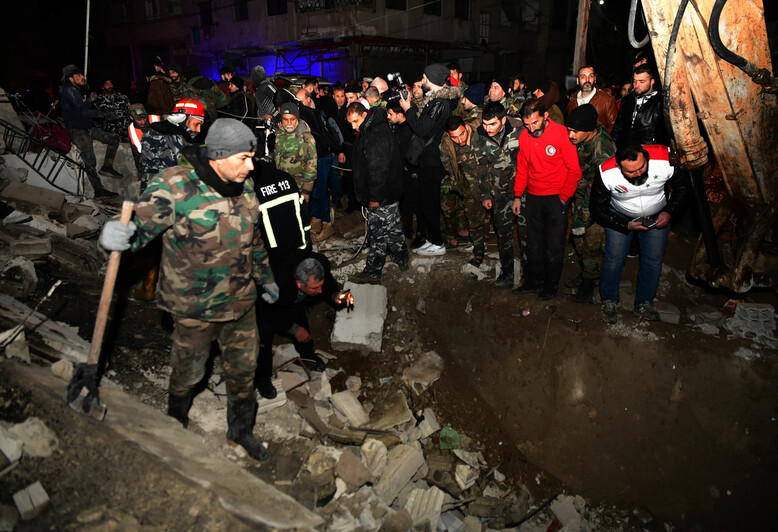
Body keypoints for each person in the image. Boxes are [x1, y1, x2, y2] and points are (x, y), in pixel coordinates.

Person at [98, 118, 278, 463]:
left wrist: (266, 276)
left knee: (243, 374)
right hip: (194, 307)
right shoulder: (177, 186)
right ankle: (176, 419)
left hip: (240, 304)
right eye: (243, 158)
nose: (251, 165)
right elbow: (137, 228)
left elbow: (254, 239)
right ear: (218, 156)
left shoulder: (246, 186)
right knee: (188, 372)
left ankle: (240, 433)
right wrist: (114, 238)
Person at [591, 143, 689, 323]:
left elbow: (683, 188)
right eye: (630, 172)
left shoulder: (665, 159)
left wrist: (670, 212)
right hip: (620, 216)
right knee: (614, 258)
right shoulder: (606, 173)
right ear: (619, 166)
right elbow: (597, 209)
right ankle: (609, 300)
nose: (638, 174)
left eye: (642, 167)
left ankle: (644, 303)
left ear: (646, 157)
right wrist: (625, 225)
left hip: (657, 216)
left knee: (652, 260)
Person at [256, 251, 354, 398]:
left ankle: (307, 354)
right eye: (314, 288)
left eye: (319, 286)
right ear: (299, 283)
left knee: (299, 314)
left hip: (291, 293)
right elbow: (270, 312)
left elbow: (327, 285)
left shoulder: (320, 264)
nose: (319, 291)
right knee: (265, 333)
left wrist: (335, 295)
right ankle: (262, 379)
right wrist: (293, 329)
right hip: (265, 304)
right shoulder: (278, 284)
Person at [512, 99, 581, 300]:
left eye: (535, 122)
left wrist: (563, 198)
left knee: (554, 246)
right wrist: (518, 195)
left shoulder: (561, 134)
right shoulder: (524, 137)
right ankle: (533, 282)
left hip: (555, 198)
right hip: (533, 197)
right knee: (533, 244)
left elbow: (574, 171)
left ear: (545, 117)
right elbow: (523, 168)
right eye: (527, 124)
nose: (531, 128)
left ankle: (550, 287)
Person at [399, 63, 459, 256]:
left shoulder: (439, 103)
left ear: (430, 78)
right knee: (426, 202)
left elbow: (422, 129)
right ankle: (433, 239)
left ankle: (438, 244)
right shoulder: (434, 100)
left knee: (430, 202)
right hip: (428, 158)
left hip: (433, 160)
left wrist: (408, 109)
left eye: (424, 77)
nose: (422, 80)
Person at [346, 102, 410, 283]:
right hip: (389, 192)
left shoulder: (375, 135)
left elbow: (378, 170)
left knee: (378, 235)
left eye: (355, 121)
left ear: (364, 115)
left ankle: (373, 271)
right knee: (394, 228)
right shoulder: (373, 127)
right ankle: (402, 258)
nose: (353, 126)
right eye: (350, 122)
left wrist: (374, 198)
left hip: (381, 195)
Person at [565, 104, 616, 303]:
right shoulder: (585, 136)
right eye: (569, 129)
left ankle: (588, 287)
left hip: (597, 201)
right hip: (581, 195)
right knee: (579, 240)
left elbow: (597, 189)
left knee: (591, 242)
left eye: (575, 131)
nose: (571, 135)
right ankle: (587, 273)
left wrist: (583, 217)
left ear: (589, 130)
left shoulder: (603, 149)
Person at [473, 102, 522, 286]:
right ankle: (508, 272)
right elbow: (482, 167)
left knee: (526, 234)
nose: (488, 128)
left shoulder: (519, 129)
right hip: (499, 192)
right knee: (503, 233)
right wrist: (485, 194)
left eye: (492, 124)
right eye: (485, 124)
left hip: (523, 191)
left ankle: (533, 272)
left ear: (503, 120)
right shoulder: (480, 135)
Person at [59, 64, 120, 199]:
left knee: (114, 138)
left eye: (82, 74)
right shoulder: (69, 90)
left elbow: (81, 109)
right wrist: (102, 113)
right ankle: (98, 191)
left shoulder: (74, 90)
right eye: (78, 75)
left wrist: (90, 103)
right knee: (89, 160)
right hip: (78, 131)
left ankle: (107, 167)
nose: (82, 77)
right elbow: (83, 111)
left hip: (86, 128)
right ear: (71, 78)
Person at [440, 115, 488, 268]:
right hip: (469, 188)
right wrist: (458, 183)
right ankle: (479, 252)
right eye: (455, 137)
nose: (460, 140)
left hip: (489, 182)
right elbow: (448, 166)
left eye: (462, 134)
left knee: (494, 219)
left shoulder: (481, 133)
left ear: (466, 128)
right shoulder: (446, 145)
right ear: (448, 135)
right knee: (474, 221)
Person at [388, 102, 424, 245]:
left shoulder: (410, 128)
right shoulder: (397, 127)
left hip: (412, 173)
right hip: (401, 173)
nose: (389, 117)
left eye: (391, 114)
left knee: (416, 203)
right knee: (405, 203)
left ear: (400, 114)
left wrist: (407, 165)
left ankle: (421, 234)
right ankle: (407, 230)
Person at [611, 65, 669, 148]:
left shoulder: (661, 102)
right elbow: (618, 127)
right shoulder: (627, 100)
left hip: (652, 151)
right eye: (634, 81)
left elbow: (666, 134)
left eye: (642, 82)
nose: (637, 85)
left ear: (652, 81)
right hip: (627, 150)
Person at [273, 102, 317, 203]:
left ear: (297, 118)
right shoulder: (280, 134)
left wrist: (306, 191)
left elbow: (311, 165)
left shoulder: (305, 138)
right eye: (285, 119)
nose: (289, 123)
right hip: (283, 185)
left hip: (299, 187)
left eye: (292, 119)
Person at [566, 66, 618, 133]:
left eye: (591, 76)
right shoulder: (572, 100)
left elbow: (614, 127)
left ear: (595, 79)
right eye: (583, 76)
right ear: (578, 81)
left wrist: (602, 142)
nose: (587, 80)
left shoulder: (607, 99)